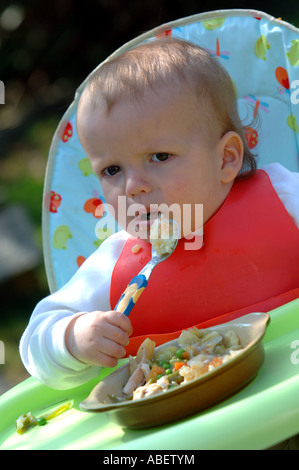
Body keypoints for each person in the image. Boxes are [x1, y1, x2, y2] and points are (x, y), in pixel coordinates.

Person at [20, 38, 299, 390]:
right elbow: (35, 342)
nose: (133, 186)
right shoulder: (116, 266)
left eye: (160, 157)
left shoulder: (283, 197)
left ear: (226, 157)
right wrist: (74, 339)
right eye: (112, 170)